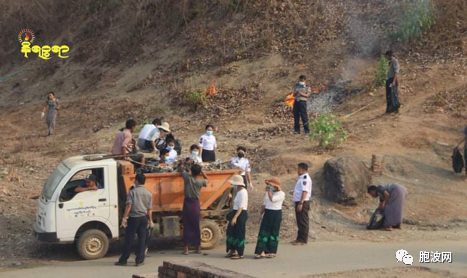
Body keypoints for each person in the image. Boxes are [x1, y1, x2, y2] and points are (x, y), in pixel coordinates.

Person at [115, 173, 153, 267]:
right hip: (143, 218)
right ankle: (139, 260)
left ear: (137, 181)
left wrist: (124, 217)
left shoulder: (132, 191)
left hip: (133, 218)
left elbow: (129, 205)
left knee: (129, 239)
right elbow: (149, 209)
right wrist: (150, 220)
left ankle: (124, 260)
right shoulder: (148, 193)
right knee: (142, 239)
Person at [180, 164, 209, 255]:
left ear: (191, 171)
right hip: (196, 204)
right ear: (198, 173)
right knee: (196, 225)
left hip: (187, 203)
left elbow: (182, 170)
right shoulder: (200, 182)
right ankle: (198, 247)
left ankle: (186, 249)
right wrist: (202, 172)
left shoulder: (187, 179)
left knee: (187, 225)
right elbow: (207, 179)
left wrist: (185, 165)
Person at [254, 177, 285, 259]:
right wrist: (260, 214)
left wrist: (269, 191)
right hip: (268, 212)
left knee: (273, 232)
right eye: (268, 185)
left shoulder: (281, 194)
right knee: (264, 231)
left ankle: (272, 251)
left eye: (271, 185)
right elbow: (264, 204)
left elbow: (272, 200)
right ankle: (261, 251)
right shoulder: (268, 194)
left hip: (276, 213)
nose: (269, 186)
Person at [225, 174, 248, 260]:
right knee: (231, 232)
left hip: (240, 214)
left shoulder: (243, 192)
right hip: (236, 212)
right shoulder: (239, 191)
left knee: (239, 233)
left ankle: (240, 253)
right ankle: (232, 250)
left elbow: (241, 207)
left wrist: (235, 217)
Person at [291, 163, 312, 245]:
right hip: (299, 201)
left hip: (302, 202)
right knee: (299, 221)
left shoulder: (305, 179)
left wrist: (301, 203)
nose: (297, 170)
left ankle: (303, 239)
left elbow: (305, 191)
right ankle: (299, 238)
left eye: (298, 169)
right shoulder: (302, 178)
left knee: (303, 221)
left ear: (302, 170)